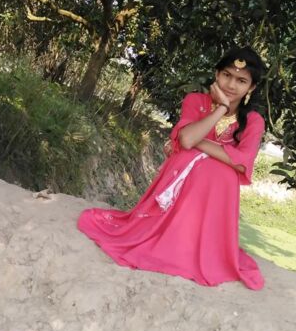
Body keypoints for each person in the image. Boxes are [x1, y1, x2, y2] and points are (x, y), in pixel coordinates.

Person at [77, 46, 267, 290]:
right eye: (227, 75)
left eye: (241, 81)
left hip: (214, 194)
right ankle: (167, 236)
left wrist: (199, 141)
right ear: (216, 75)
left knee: (218, 172)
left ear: (251, 88)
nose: (231, 85)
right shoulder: (195, 101)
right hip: (182, 184)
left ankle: (199, 243)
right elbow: (186, 141)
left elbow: (242, 162)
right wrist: (220, 108)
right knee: (198, 160)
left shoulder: (253, 121)